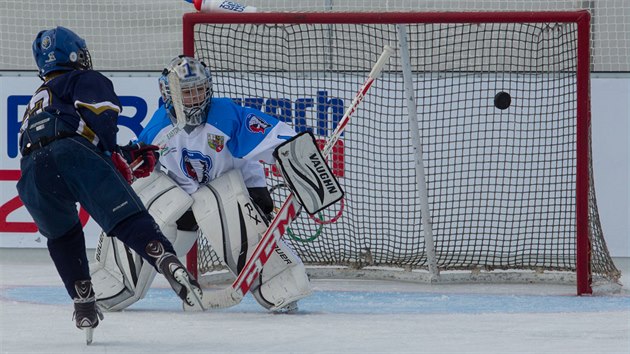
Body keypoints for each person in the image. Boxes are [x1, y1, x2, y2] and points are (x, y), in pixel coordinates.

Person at [16, 27, 203, 341]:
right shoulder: (81, 78)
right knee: (125, 218)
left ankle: (83, 302)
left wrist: (124, 154)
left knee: (64, 236)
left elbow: (58, 136)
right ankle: (166, 260)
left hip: (32, 172)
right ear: (74, 55)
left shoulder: (38, 97)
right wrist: (116, 152)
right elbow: (98, 119)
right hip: (71, 154)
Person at [91, 55, 313, 313]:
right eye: (187, 92)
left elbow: (275, 138)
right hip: (188, 202)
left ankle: (279, 284)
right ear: (169, 94)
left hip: (239, 192)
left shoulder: (225, 115)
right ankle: (115, 279)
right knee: (147, 201)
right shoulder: (158, 128)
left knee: (223, 200)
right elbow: (144, 168)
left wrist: (302, 159)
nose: (195, 98)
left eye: (199, 90)